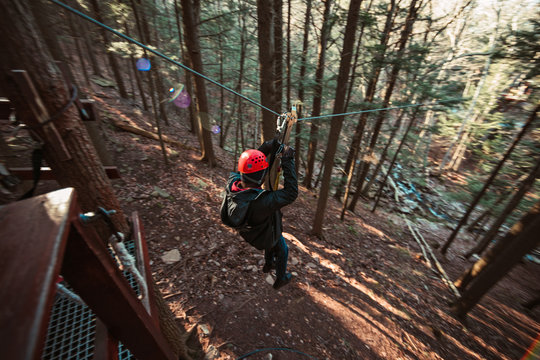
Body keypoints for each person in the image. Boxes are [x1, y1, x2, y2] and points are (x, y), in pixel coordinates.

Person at [221, 140, 298, 289]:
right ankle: (280, 279)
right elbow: (291, 193)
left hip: (254, 234)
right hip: (265, 235)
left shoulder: (233, 183)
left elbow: (249, 165)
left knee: (271, 243)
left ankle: (268, 265)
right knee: (283, 250)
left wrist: (265, 147)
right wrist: (288, 160)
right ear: (262, 178)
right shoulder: (261, 202)